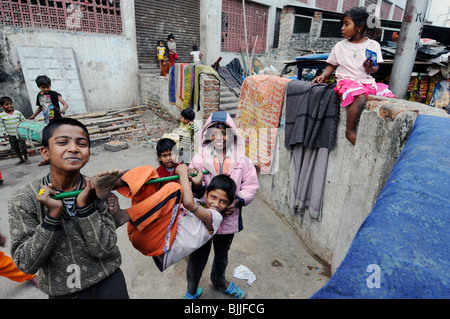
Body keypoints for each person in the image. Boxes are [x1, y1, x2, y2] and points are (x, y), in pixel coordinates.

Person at [8, 118, 129, 299]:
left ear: (88, 155)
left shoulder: (97, 189)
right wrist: (52, 217)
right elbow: (25, 264)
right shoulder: (23, 199)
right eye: (63, 142)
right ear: (45, 152)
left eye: (82, 143)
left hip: (109, 282)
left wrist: (85, 207)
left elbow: (104, 248)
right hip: (63, 292)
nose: (73, 148)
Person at [95, 166, 235, 275]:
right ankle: (110, 186)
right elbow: (188, 197)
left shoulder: (216, 217)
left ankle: (123, 216)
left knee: (174, 189)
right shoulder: (199, 202)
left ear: (229, 204)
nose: (216, 204)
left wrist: (182, 171)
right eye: (213, 197)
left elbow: (188, 202)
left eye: (223, 202)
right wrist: (192, 180)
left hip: (157, 242)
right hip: (141, 227)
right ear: (206, 194)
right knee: (149, 172)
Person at [186, 111, 259, 299]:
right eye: (214, 132)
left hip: (228, 222)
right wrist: (196, 184)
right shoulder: (198, 160)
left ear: (233, 134)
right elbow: (192, 187)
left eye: (224, 132)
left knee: (222, 256)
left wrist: (236, 201)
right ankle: (192, 289)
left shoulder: (243, 161)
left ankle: (219, 281)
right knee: (196, 259)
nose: (219, 137)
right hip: (203, 220)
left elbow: (251, 185)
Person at [311, 7, 395, 146]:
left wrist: (369, 67)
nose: (342, 28)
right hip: (346, 82)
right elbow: (332, 64)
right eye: (342, 24)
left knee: (388, 96)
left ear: (360, 26)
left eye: (346, 24)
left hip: (366, 82)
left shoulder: (373, 45)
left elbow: (375, 69)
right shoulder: (340, 46)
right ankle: (349, 131)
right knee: (360, 96)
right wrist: (324, 75)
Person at [29, 75, 69, 165]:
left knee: (59, 139)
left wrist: (63, 109)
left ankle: (63, 156)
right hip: (47, 122)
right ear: (38, 87)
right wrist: (33, 115)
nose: (46, 89)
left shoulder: (54, 94)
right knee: (48, 140)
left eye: (48, 86)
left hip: (57, 121)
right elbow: (40, 107)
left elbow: (65, 104)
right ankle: (49, 158)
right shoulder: (39, 95)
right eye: (43, 87)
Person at [0, 96, 31, 165]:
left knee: (23, 146)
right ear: (2, 106)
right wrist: (4, 134)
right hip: (11, 135)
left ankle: (26, 158)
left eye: (10, 104)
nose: (9, 106)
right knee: (15, 148)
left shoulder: (17, 113)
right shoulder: (1, 115)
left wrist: (25, 130)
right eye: (7, 105)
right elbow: (2, 126)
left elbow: (23, 121)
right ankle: (21, 159)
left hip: (19, 133)